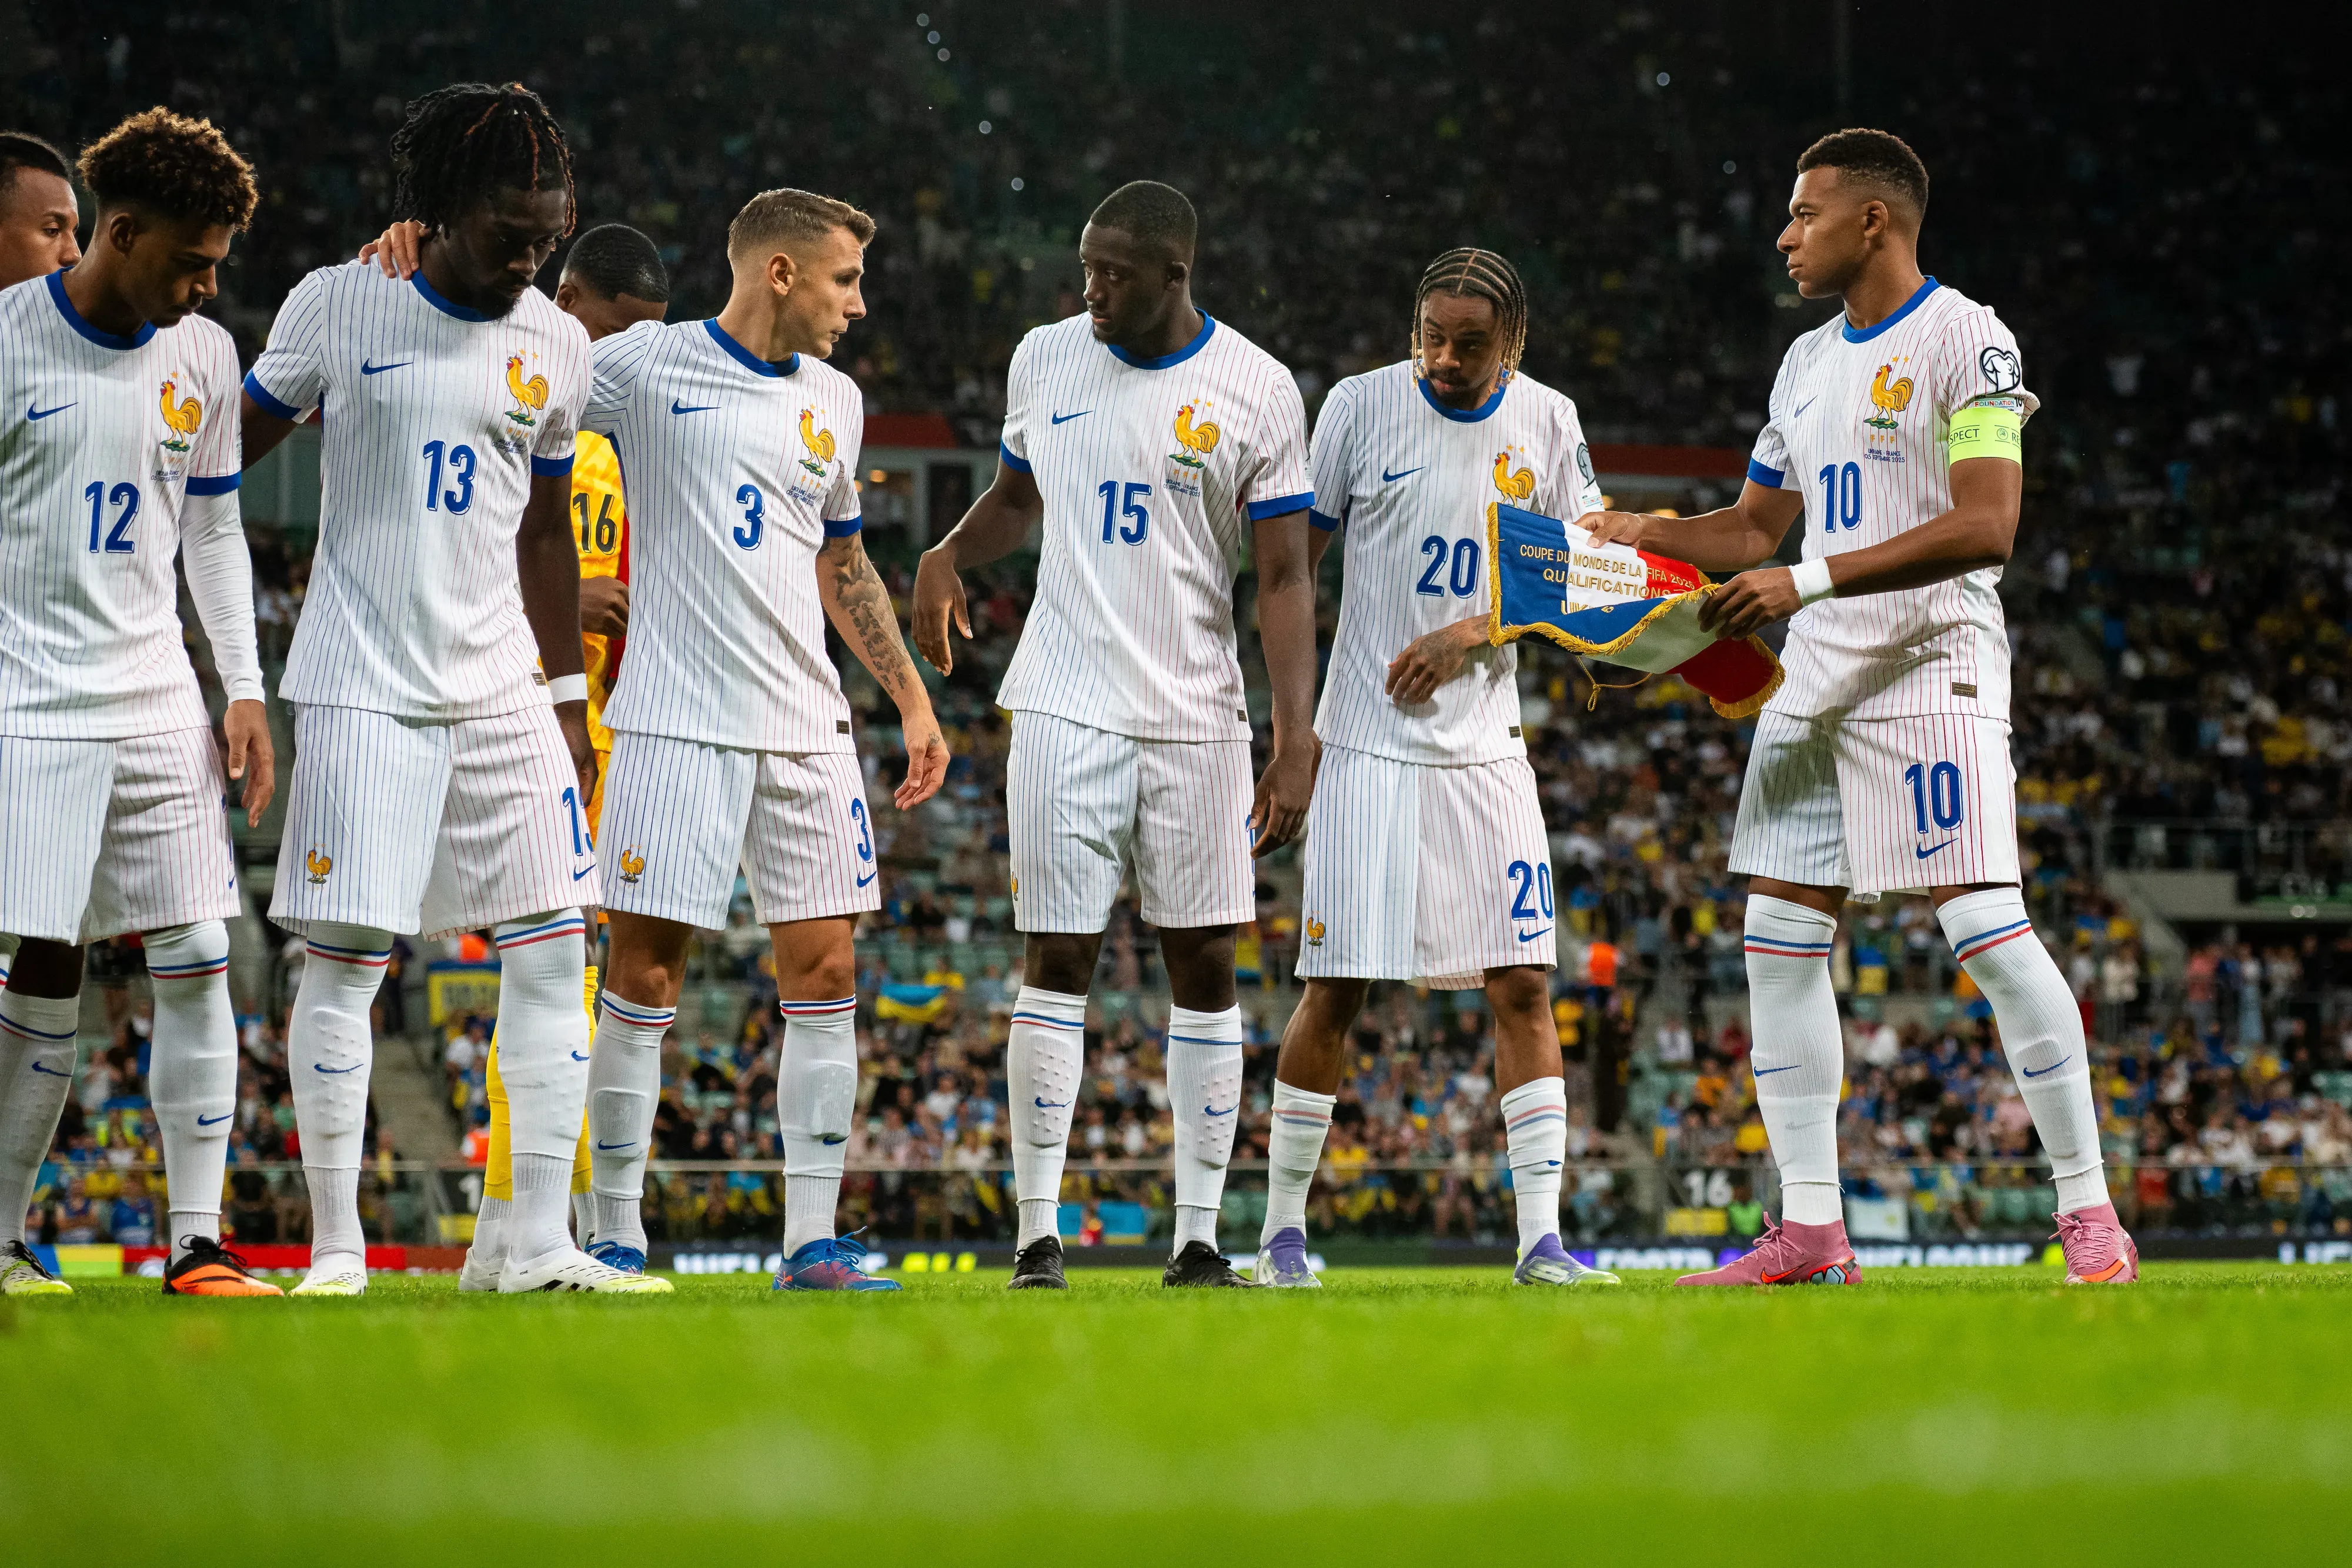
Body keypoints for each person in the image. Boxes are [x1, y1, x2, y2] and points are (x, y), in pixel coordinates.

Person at [1582, 128, 2134, 1286]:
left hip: (1930, 660)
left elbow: (1988, 524)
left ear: (1872, 219)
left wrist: (1809, 580)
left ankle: (2088, 1212)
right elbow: (1751, 532)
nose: (1784, 236)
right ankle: (1811, 1231)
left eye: (1804, 213)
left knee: (1982, 927)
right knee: (1776, 939)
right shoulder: (1801, 364)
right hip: (1816, 675)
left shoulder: (1968, 339)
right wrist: (1635, 538)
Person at [240, 82, 662, 1295]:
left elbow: (544, 535)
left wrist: (568, 702)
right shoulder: (340, 300)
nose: (528, 260)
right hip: (362, 683)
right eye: (505, 235)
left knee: (554, 949)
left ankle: (531, 1245)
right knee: (345, 962)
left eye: (545, 238)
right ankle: (335, 1248)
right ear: (435, 211)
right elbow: (221, 456)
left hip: (502, 688)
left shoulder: (556, 342)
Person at [913, 180, 1318, 1289]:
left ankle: (1199, 1237)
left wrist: (1296, 734)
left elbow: (1286, 574)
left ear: (1174, 275)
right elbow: (1016, 499)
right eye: (1085, 266)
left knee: (1206, 963)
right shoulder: (1044, 356)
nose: (1089, 288)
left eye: (1113, 273)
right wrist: (948, 551)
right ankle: (1036, 1235)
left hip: (1198, 716)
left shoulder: (1257, 386)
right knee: (1056, 957)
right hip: (1063, 702)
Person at [572, 186, 948, 1292]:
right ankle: (613, 1235)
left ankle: (811, 1242)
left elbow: (844, 562)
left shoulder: (837, 399)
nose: (859, 304)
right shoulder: (643, 367)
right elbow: (506, 397)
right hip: (673, 721)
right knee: (643, 973)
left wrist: (911, 699)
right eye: (846, 280)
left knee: (827, 970)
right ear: (780, 273)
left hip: (805, 728)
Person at [1254, 248, 1619, 1290]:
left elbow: (1589, 571)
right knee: (1335, 987)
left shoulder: (1548, 420)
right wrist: (1293, 734)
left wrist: (1472, 631)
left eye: (1470, 344)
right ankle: (1281, 1236)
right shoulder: (1358, 408)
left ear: (1513, 342)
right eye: (1432, 338)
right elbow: (1290, 572)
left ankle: (1541, 1242)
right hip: (1366, 743)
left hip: (1486, 745)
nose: (1447, 360)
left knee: (1524, 983)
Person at [357, 218, 674, 1287]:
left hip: (607, 723)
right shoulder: (514, 398)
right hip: (509, 709)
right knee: (549, 965)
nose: (628, 361)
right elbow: (456, 533)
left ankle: (509, 1227)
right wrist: (566, 600)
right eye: (619, 335)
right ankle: (527, 1227)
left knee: (554, 973)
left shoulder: (620, 442)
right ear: (569, 304)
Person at [0, 109, 280, 1299]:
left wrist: (243, 686)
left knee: (200, 948)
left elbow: (211, 527)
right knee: (41, 960)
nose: (208, 284)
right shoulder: (7, 342)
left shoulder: (203, 354)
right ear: (120, 233)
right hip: (28, 701)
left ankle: (197, 1243)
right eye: (192, 260)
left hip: (159, 696)